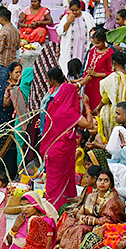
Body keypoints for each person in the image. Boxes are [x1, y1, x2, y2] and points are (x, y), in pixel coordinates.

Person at [41, 67, 82, 208]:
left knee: (54, 180)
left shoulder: (58, 109)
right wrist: (87, 108)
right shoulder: (66, 111)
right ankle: (61, 205)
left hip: (53, 149)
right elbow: (89, 123)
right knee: (59, 179)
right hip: (60, 148)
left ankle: (54, 206)